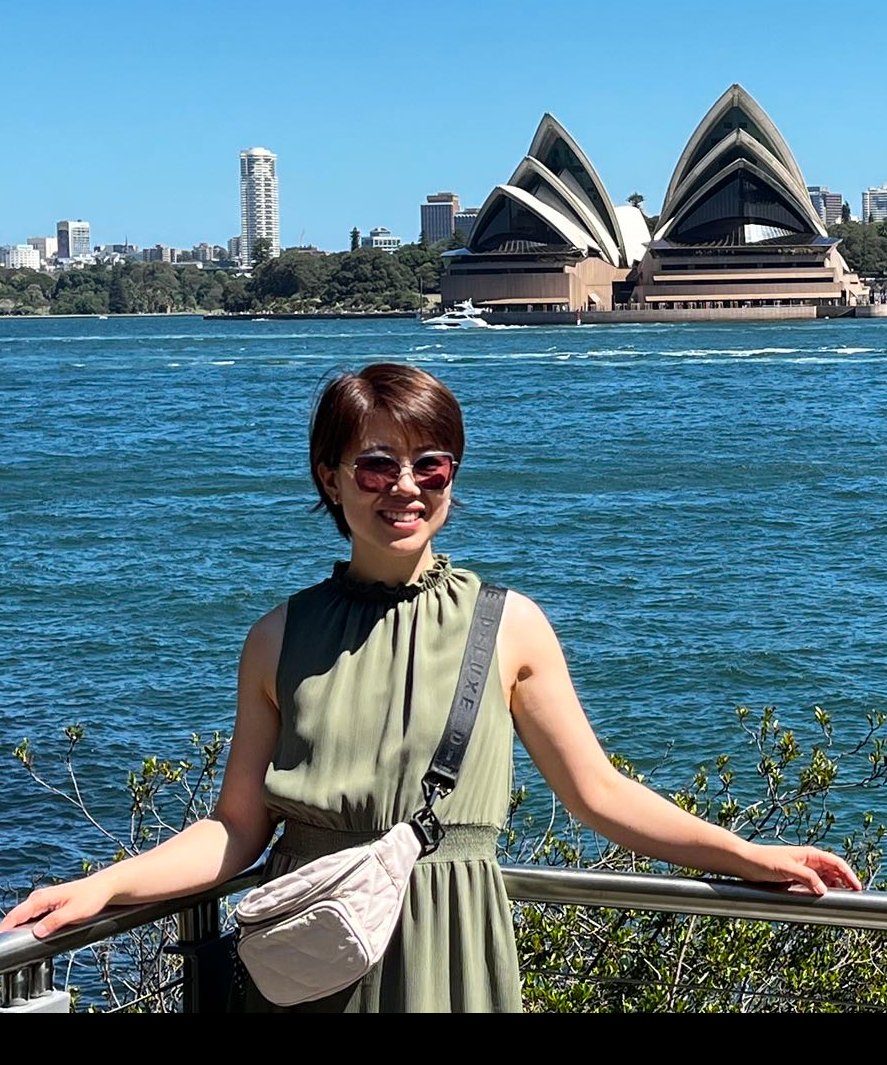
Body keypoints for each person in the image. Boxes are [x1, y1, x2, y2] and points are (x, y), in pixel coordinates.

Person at [0, 361, 862, 1013]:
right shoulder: (277, 636)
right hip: (310, 949)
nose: (405, 487)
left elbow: (596, 794)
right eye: (376, 465)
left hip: (451, 939)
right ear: (330, 477)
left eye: (431, 465)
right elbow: (235, 828)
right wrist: (106, 886)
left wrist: (749, 856)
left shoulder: (507, 623)